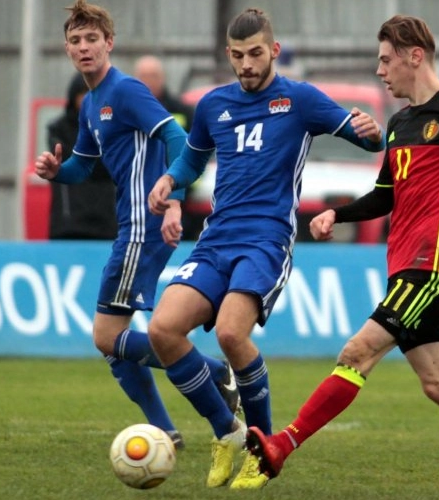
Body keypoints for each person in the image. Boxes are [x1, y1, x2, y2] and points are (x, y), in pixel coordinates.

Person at [245, 15, 439, 500]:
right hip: (405, 264)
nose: (379, 70)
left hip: (433, 265)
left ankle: (283, 446)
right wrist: (337, 214)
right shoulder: (400, 123)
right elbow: (383, 197)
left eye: (386, 59)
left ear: (415, 56)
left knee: (357, 352)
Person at [146, 7, 385, 490]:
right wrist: (171, 180)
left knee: (233, 335)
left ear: (273, 51)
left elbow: (362, 138)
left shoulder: (299, 100)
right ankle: (227, 431)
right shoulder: (214, 104)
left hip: (266, 240)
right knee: (163, 330)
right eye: (237, 56)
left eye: (255, 54)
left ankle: (262, 448)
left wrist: (371, 131)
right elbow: (193, 158)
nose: (246, 64)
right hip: (216, 239)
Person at [34, 0, 238, 450]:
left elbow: (178, 138)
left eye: (92, 39)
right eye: (75, 41)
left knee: (106, 338)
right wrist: (56, 171)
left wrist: (175, 203)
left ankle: (212, 375)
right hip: (133, 227)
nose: (84, 47)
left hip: (146, 226)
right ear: (67, 49)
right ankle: (167, 429)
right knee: (116, 345)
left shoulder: (126, 91)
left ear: (109, 43)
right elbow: (83, 167)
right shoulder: (93, 105)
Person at [133, 55, 201, 241]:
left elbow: (196, 150)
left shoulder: (183, 110)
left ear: (162, 78)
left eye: (153, 75)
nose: (148, 81)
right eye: (143, 76)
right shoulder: (128, 111)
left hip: (179, 195)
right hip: (138, 193)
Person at [47, 72, 117, 240]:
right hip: (70, 221)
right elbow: (76, 163)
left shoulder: (112, 127)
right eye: (83, 93)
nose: (88, 99)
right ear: (74, 96)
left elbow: (112, 164)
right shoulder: (58, 129)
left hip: (107, 220)